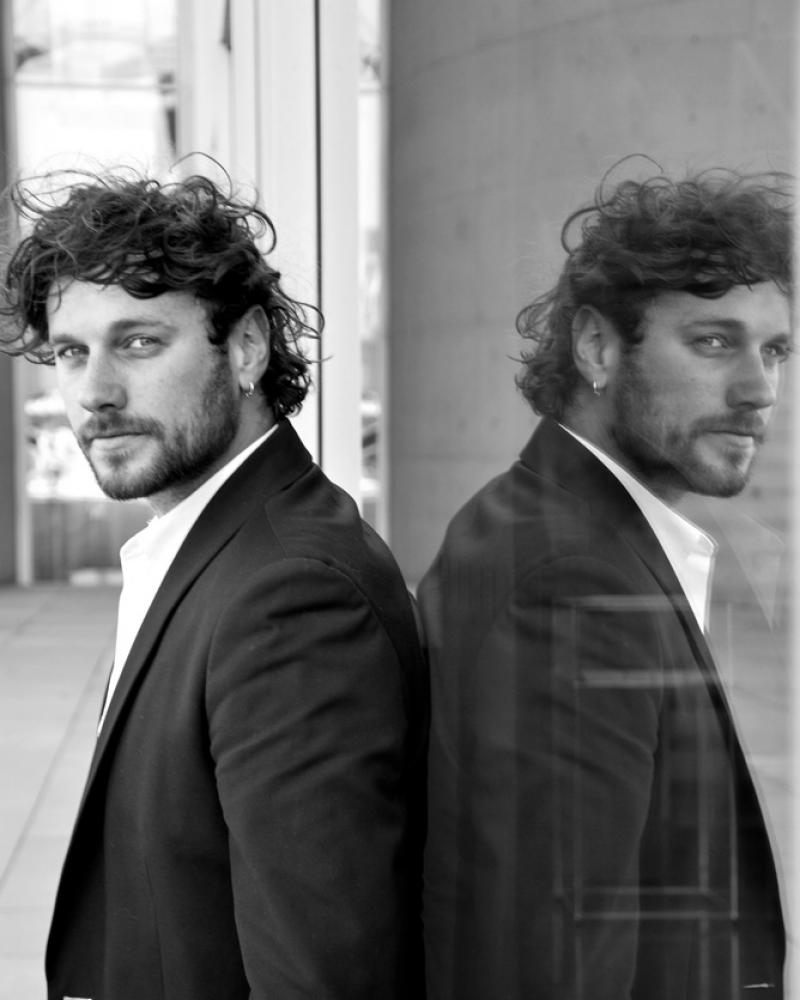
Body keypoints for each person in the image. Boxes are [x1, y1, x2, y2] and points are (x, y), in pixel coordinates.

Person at [0, 169, 428, 1000]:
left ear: (247, 349)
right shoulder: (213, 547)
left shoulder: (292, 597)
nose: (94, 394)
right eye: (71, 353)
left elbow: (320, 980)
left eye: (138, 342)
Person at [418, 164, 792, 999]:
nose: (759, 389)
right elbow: (553, 964)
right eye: (714, 342)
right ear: (596, 347)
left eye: (775, 351)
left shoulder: (553, 527)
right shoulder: (568, 582)